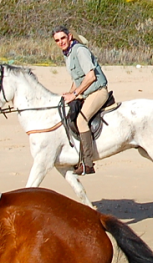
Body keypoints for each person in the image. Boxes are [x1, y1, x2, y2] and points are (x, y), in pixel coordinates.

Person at [52, 26, 110, 175]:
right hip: (85, 93)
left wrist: (75, 94)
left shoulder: (79, 50)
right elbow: (77, 80)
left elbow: (91, 76)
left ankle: (88, 163)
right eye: (57, 40)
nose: (60, 42)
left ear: (70, 37)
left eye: (63, 38)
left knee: (81, 121)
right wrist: (70, 93)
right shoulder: (68, 54)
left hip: (98, 91)